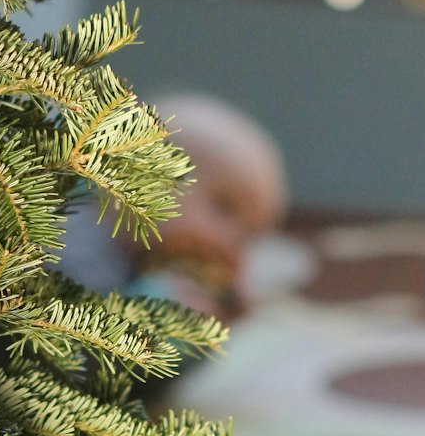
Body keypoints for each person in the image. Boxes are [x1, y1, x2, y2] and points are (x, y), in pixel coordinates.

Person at [60, 92, 289, 320]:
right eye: (224, 208)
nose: (230, 240)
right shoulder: (74, 241)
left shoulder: (145, 251)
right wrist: (158, 311)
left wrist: (228, 299)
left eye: (249, 235)